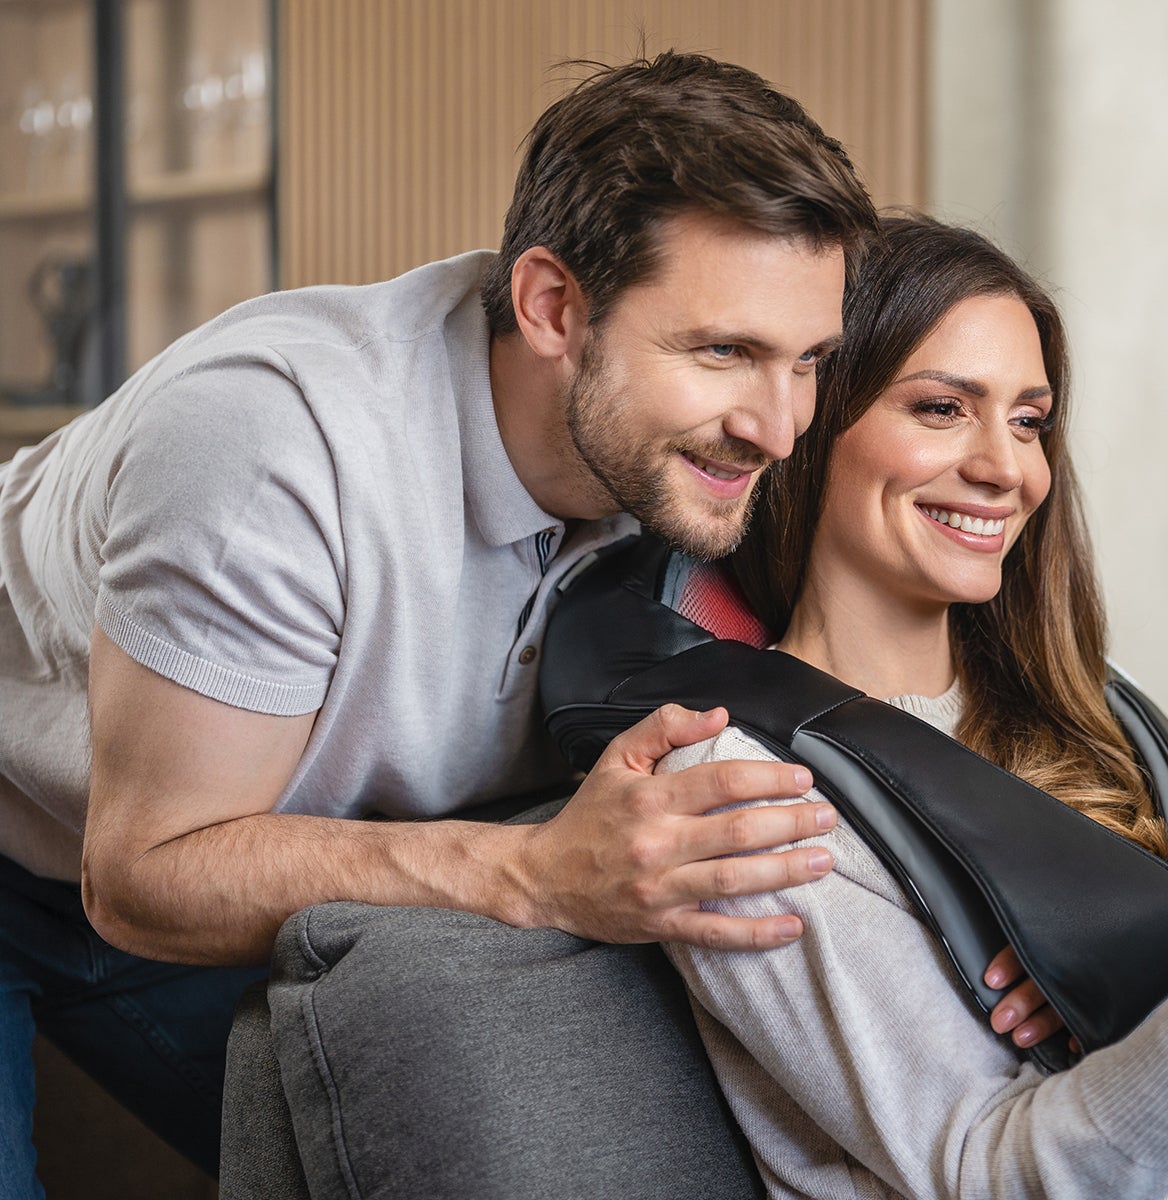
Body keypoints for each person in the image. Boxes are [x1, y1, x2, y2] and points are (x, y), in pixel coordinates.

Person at [0, 54, 884, 1192]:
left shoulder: (676, 462)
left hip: (235, 838)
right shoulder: (274, 450)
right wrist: (535, 873)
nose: (777, 425)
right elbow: (142, 876)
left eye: (806, 361)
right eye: (723, 352)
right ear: (552, 307)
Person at [658, 215, 1168, 1198]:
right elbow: (1003, 1179)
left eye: (1028, 419)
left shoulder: (1091, 704)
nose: (1008, 469)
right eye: (941, 409)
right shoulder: (740, 793)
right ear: (811, 422)